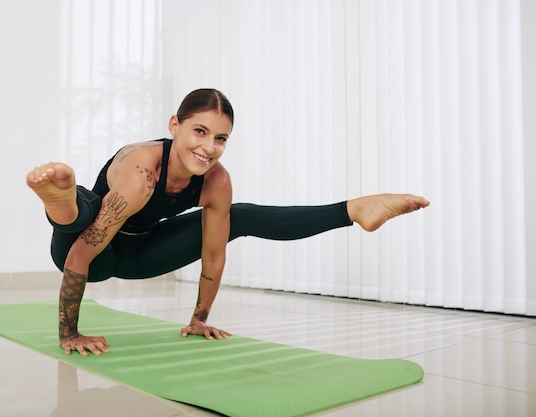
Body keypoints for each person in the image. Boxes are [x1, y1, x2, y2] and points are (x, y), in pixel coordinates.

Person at [27, 88, 430, 357]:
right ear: (175, 126)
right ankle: (61, 199)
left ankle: (353, 210)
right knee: (83, 216)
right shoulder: (142, 172)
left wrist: (199, 319)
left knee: (239, 216)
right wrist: (69, 333)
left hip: (139, 255)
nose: (208, 147)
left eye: (220, 138)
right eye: (199, 131)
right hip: (88, 252)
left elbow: (214, 253)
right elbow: (82, 254)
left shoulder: (216, 181)